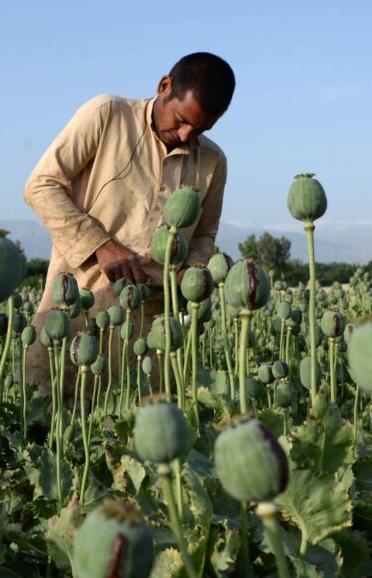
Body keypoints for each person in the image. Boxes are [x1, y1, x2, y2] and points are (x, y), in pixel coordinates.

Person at [23, 52, 235, 394]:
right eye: (181, 120)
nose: (184, 136)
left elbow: (204, 234)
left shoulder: (213, 161)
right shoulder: (107, 115)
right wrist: (101, 246)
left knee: (131, 430)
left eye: (199, 129)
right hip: (75, 310)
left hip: (150, 335)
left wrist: (190, 271)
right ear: (164, 86)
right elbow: (41, 186)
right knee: (50, 420)